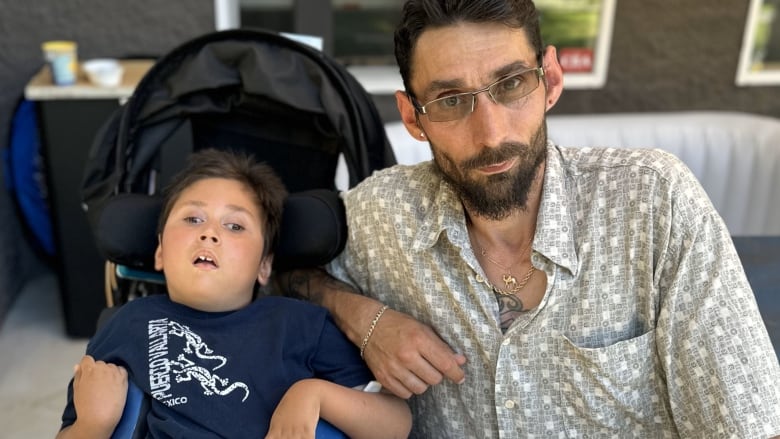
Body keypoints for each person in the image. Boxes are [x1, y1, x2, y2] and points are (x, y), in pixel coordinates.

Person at [276, 0, 780, 437]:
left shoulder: (652, 202)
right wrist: (367, 319)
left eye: (511, 83)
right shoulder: (386, 214)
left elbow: (749, 424)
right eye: (451, 101)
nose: (492, 133)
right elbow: (275, 270)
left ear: (551, 80)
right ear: (413, 117)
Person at [56, 148, 411, 439]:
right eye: (193, 219)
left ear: (264, 265)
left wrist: (314, 394)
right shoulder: (128, 323)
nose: (210, 233)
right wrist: (93, 424)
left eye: (235, 225)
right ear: (160, 250)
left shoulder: (301, 324)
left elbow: (396, 423)